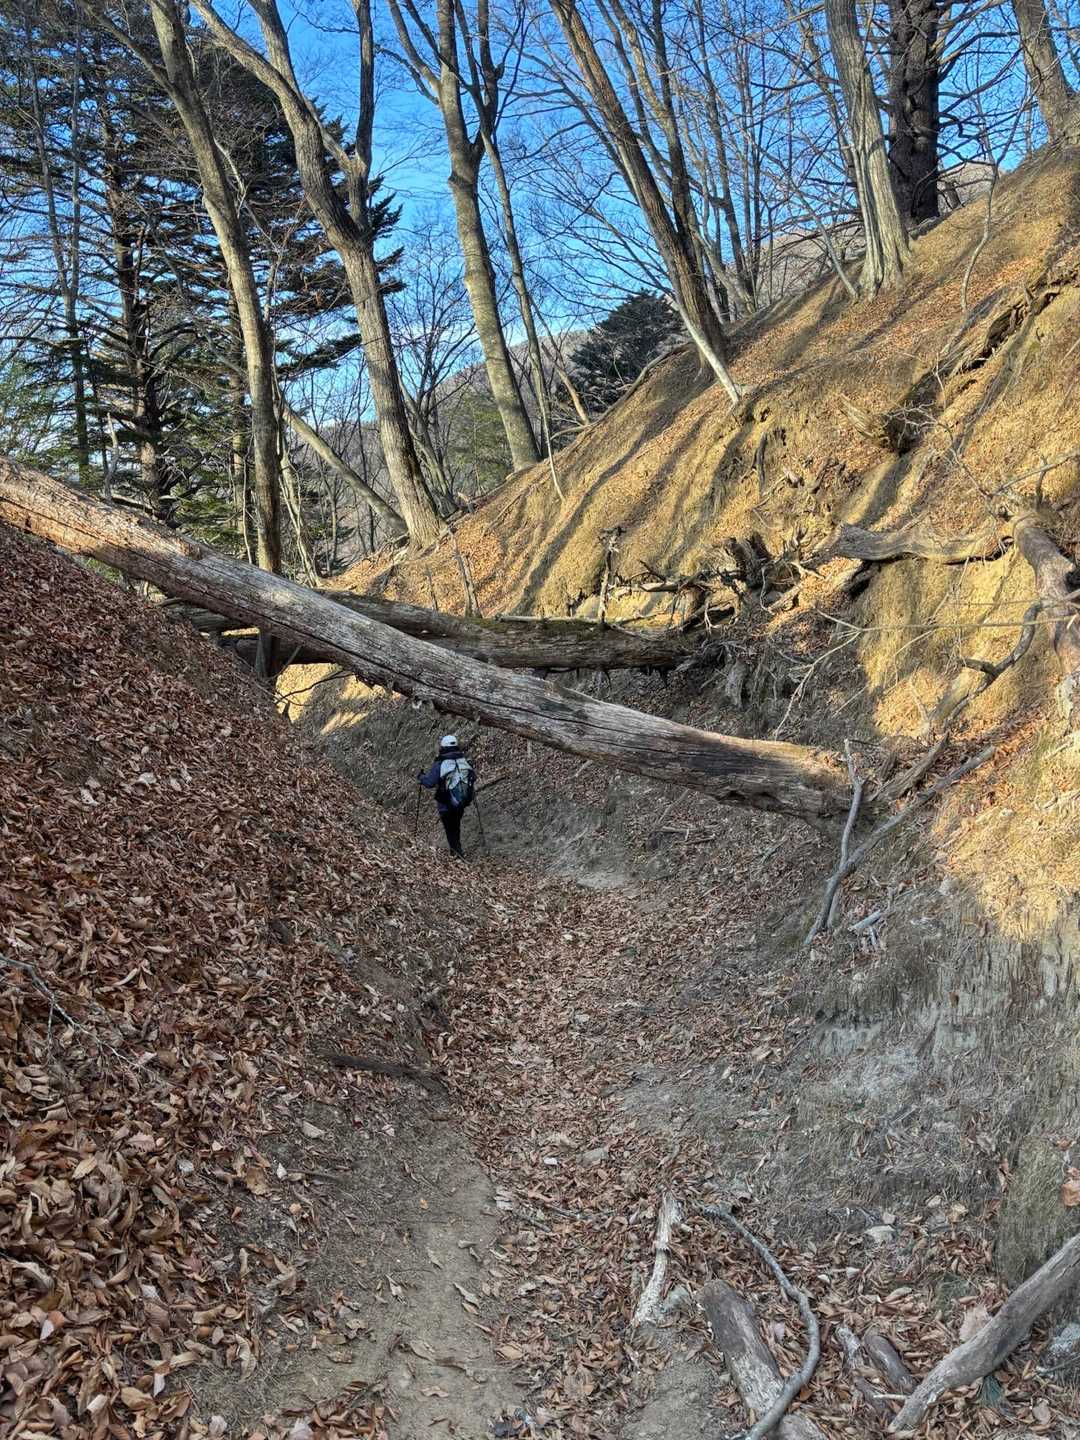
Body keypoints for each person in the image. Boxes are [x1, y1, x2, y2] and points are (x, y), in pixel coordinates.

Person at [417, 735, 476, 859]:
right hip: (461, 801)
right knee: (455, 827)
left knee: (450, 830)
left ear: (443, 747)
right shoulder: (462, 760)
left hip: (445, 804)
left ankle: (458, 855)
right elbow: (473, 777)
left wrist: (421, 777)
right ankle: (456, 853)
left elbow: (429, 782)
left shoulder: (440, 763)